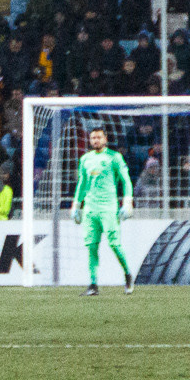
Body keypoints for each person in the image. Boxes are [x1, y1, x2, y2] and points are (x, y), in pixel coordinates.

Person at [71, 126, 133, 294]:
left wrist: (127, 201)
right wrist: (76, 205)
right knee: (91, 246)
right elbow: (82, 183)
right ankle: (93, 284)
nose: (96, 140)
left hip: (108, 207)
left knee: (114, 244)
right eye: (93, 138)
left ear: (105, 139)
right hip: (90, 208)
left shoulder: (114, 157)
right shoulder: (85, 159)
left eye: (99, 137)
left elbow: (126, 180)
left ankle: (127, 273)